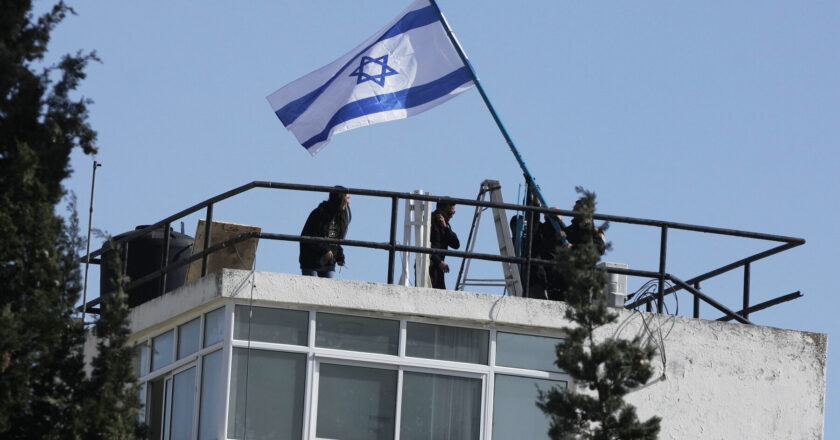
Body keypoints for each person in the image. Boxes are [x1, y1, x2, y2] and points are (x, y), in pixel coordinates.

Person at [299, 186, 351, 278]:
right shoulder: (319, 214)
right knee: (310, 288)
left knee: (328, 288)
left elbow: (336, 241)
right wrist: (325, 249)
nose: (348, 201)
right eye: (347, 198)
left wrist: (340, 256)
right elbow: (310, 236)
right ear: (339, 198)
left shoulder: (340, 217)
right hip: (311, 260)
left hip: (327, 263)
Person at [429, 201, 459, 289]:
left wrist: (445, 227)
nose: (452, 216)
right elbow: (426, 246)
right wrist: (439, 262)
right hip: (429, 265)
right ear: (440, 211)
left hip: (439, 267)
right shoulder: (430, 222)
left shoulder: (445, 226)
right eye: (450, 213)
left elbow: (456, 244)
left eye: (453, 213)